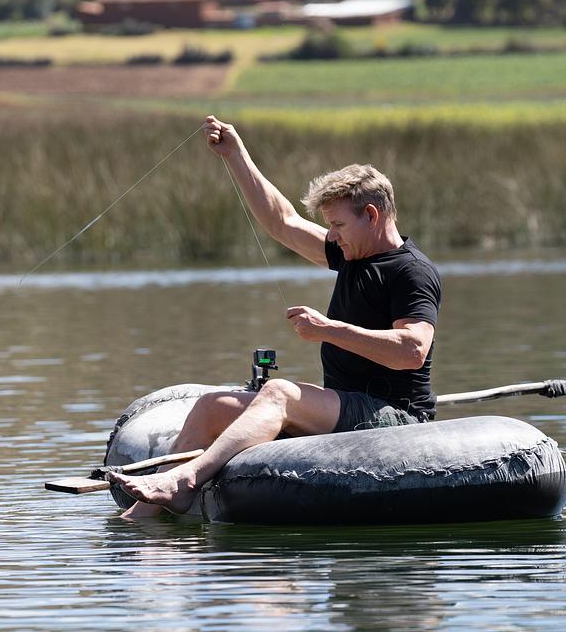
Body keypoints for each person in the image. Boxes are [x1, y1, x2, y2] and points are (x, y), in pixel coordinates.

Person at [109, 115, 442, 519]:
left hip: (393, 415)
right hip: (346, 407)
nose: (332, 236)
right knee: (212, 405)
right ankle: (139, 520)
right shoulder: (351, 253)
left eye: (337, 224)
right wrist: (235, 154)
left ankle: (185, 480)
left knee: (279, 392)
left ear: (371, 216)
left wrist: (329, 329)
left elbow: (412, 351)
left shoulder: (411, 271)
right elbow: (281, 222)